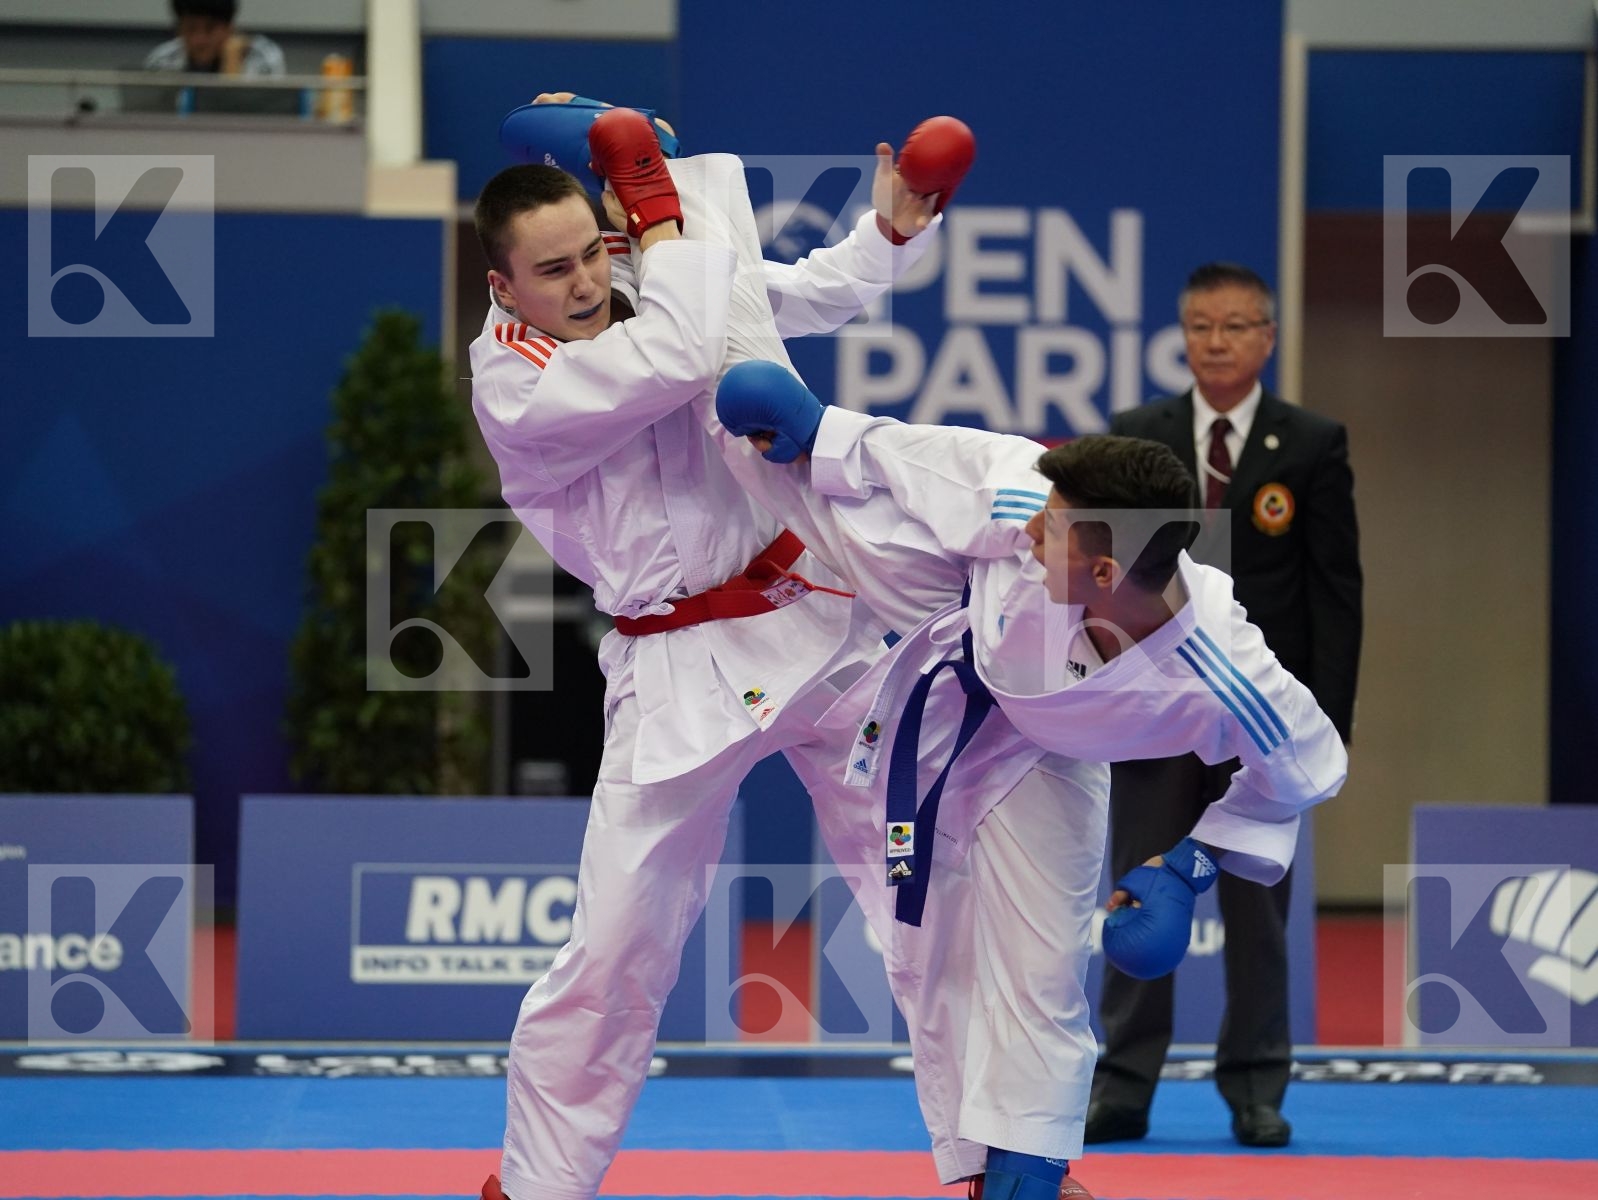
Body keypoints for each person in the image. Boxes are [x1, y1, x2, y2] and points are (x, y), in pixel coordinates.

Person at [714, 371, 1348, 1199]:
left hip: (1051, 758)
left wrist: (1191, 864)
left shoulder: (1224, 672)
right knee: (924, 953)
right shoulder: (1020, 499)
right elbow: (910, 459)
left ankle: (1027, 1171)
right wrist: (818, 427)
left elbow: (1308, 767)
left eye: (1054, 530)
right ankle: (979, 1162)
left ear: (1108, 568)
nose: (1034, 529)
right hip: (947, 640)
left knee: (1043, 970)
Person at [466, 108, 944, 1200]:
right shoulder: (517, 387)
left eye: (594, 248)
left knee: (922, 897)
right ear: (503, 288)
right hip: (672, 667)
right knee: (612, 954)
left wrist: (889, 235)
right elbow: (682, 348)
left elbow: (792, 296)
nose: (587, 280)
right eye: (555, 270)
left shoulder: (648, 271)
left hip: (813, 618)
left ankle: (992, 1162)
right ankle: (536, 1186)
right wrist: (648, 188)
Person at [1088, 262, 1362, 1148]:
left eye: (1236, 326)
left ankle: (1255, 1085)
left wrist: (1324, 727)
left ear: (1267, 339)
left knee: (1256, 906)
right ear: (1183, 333)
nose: (1217, 342)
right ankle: (1124, 1081)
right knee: (1143, 892)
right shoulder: (1140, 435)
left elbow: (1336, 596)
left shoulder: (1312, 444)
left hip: (1260, 720)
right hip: (1157, 718)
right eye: (1202, 326)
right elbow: (1106, 588)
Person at [143, 0, 285, 77]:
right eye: (190, 29)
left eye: (210, 29)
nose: (199, 39)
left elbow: (252, 114)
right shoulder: (162, 59)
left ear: (230, 28)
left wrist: (232, 62)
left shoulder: (262, 56)